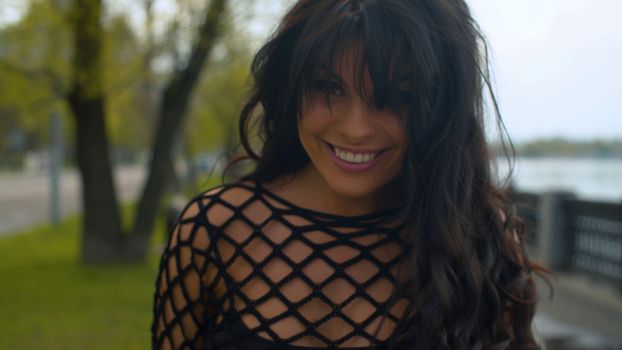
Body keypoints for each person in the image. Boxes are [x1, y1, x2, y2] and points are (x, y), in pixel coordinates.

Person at [151, 0, 545, 349]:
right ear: (291, 86)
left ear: (440, 108)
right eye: (329, 87)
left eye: (397, 97)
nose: (356, 129)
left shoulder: (477, 243)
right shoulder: (214, 233)